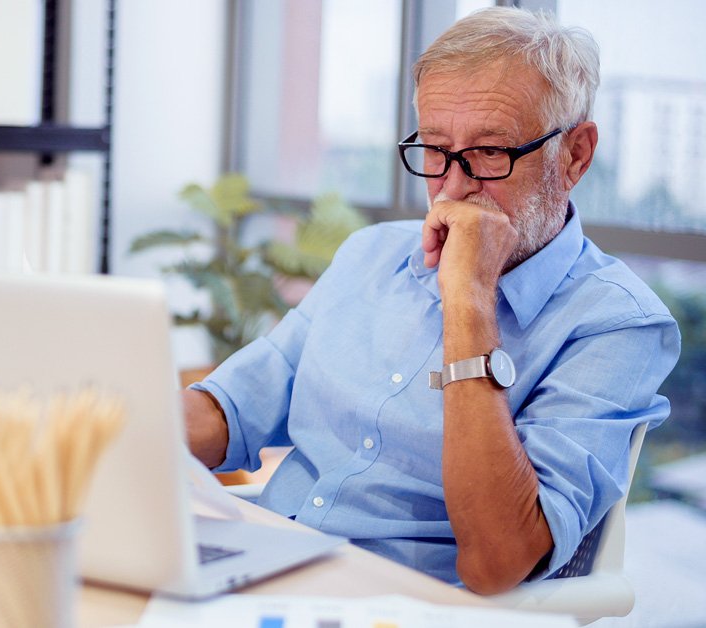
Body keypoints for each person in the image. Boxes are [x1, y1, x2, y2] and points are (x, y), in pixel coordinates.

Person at [183, 7, 681, 595]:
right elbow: (232, 408)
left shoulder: (619, 324)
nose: (452, 186)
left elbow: (499, 559)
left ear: (574, 155)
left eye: (492, 152)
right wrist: (113, 433)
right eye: (436, 149)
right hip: (267, 568)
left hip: (404, 603)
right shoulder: (371, 254)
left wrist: (470, 298)